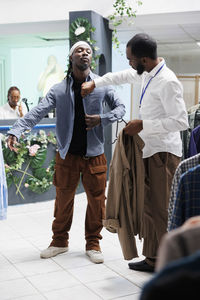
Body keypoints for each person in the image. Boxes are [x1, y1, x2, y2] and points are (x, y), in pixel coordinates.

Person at [7, 41, 125, 264]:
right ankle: (60, 242)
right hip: (67, 156)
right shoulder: (58, 90)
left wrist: (102, 118)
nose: (85, 54)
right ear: (71, 58)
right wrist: (16, 129)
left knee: (97, 202)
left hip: (95, 155)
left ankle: (93, 242)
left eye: (88, 51)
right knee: (62, 200)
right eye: (80, 50)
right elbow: (37, 112)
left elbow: (121, 109)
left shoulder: (103, 85)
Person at [81, 33, 189, 271]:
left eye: (131, 59)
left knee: (161, 211)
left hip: (164, 155)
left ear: (143, 59)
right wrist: (94, 82)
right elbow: (121, 75)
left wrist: (143, 125)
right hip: (148, 151)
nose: (129, 63)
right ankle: (153, 258)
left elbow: (181, 121)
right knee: (149, 207)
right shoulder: (147, 73)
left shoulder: (168, 81)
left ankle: (169, 264)